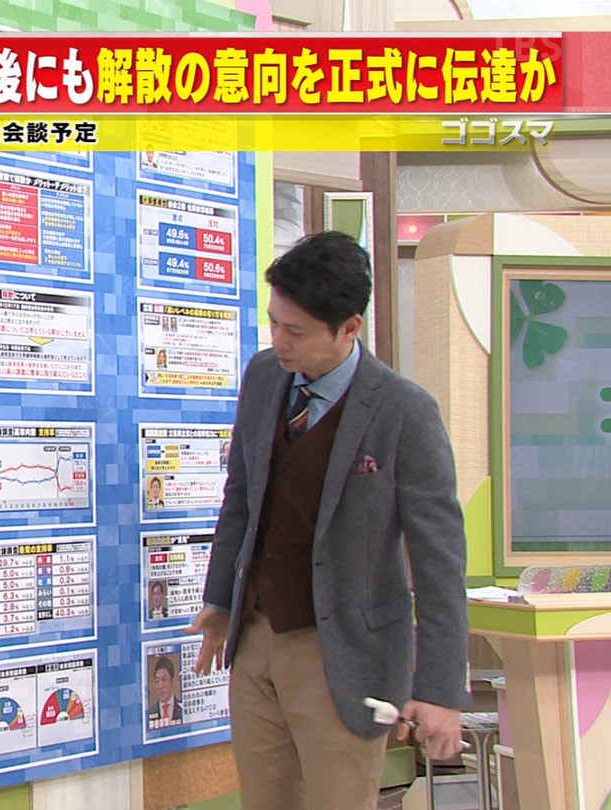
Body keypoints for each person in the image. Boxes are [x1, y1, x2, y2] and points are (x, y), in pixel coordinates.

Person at [184, 232, 470, 810]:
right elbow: (241, 496)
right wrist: (219, 601)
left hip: (345, 654)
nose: (278, 341)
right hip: (257, 637)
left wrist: (440, 692)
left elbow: (439, 559)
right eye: (274, 323)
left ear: (349, 327)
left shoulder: (404, 411)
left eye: (296, 331)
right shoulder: (265, 376)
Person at [146, 656, 182, 724]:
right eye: (157, 681)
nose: (160, 686)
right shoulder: (149, 712)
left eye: (164, 680)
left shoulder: (182, 708)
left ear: (172, 681)